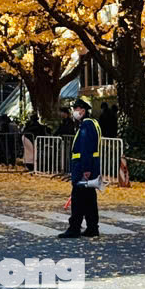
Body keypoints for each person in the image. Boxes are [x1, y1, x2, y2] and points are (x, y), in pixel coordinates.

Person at [59, 98, 101, 238]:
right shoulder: (93, 123)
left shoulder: (86, 125)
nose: (74, 112)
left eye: (75, 109)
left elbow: (85, 148)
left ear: (82, 110)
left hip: (83, 167)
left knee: (77, 199)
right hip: (90, 166)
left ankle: (74, 228)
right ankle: (92, 227)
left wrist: (85, 169)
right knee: (89, 199)